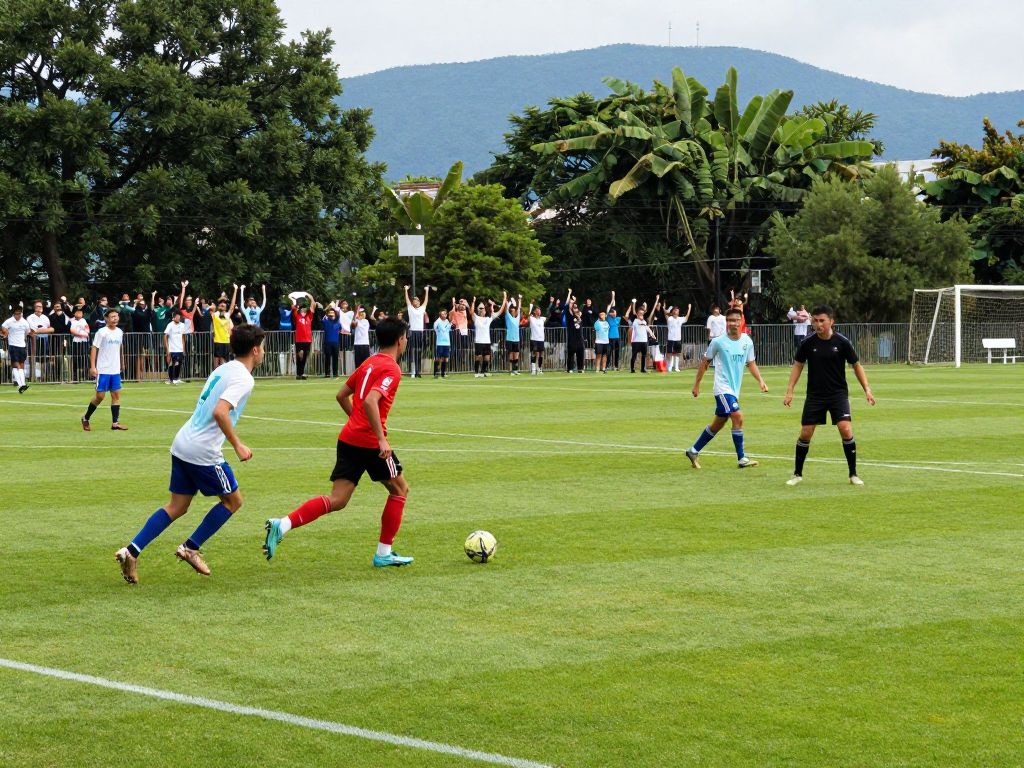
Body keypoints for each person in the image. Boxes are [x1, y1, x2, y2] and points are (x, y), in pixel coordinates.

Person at [114, 324, 266, 584]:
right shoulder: (244, 378)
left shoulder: (223, 368)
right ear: (254, 350)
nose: (263, 352)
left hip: (183, 442)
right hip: (203, 451)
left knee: (177, 506)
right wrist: (238, 444)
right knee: (233, 501)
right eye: (262, 347)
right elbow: (220, 411)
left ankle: (131, 551)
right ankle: (190, 547)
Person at [263, 317, 414, 568]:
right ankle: (384, 553)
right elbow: (370, 401)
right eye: (405, 337)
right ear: (400, 340)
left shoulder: (368, 363)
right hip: (369, 444)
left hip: (348, 438)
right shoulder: (391, 369)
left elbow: (341, 394)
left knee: (338, 499)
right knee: (400, 490)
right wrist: (380, 438)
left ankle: (283, 524)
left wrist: (356, 421)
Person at [783, 305, 876, 486]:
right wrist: (790, 390)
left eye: (822, 321)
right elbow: (798, 365)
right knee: (806, 433)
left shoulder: (842, 342)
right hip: (815, 395)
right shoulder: (807, 343)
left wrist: (867, 389)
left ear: (831, 321)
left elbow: (856, 365)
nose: (818, 324)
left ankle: (853, 474)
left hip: (837, 395)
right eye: (815, 321)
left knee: (845, 429)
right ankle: (797, 474)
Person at [684, 307, 768, 470]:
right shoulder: (718, 341)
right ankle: (742, 458)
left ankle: (693, 451)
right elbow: (705, 362)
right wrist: (697, 384)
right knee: (737, 416)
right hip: (722, 388)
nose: (731, 323)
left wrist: (761, 381)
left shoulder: (747, 341)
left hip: (734, 390)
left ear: (741, 321)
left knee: (718, 424)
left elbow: (750, 363)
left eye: (735, 320)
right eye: (729, 320)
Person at [82, 307, 128, 431]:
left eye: (116, 316)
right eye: (112, 316)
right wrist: (93, 366)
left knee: (116, 396)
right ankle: (85, 418)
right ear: (106, 319)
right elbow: (94, 348)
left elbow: (119, 348)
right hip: (103, 370)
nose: (115, 318)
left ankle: (115, 423)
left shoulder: (119, 332)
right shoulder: (101, 332)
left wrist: (122, 362)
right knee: (100, 397)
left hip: (115, 370)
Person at [469, 292, 508, 378]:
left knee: (487, 358)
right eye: (480, 308)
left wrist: (505, 298)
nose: (481, 310)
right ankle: (476, 372)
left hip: (487, 341)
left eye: (482, 308)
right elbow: (471, 312)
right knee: (478, 357)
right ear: (478, 310)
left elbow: (501, 311)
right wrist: (474, 301)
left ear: (485, 310)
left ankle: (482, 372)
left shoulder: (489, 318)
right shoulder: (476, 318)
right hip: (479, 341)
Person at [2, 304, 32, 393]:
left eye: (19, 314)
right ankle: (21, 384)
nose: (18, 316)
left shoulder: (25, 322)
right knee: (16, 364)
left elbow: (28, 331)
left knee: (21, 365)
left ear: (21, 313)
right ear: (13, 314)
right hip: (13, 345)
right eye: (16, 314)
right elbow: (3, 327)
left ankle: (21, 385)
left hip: (22, 346)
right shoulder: (9, 321)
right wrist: (6, 332)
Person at [404, 284, 429, 378]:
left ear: (419, 302)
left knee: (419, 352)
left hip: (420, 332)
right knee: (412, 352)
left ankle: (418, 372)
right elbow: (407, 299)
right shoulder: (410, 308)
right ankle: (413, 371)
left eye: (417, 300)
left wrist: (427, 291)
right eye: (414, 300)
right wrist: (406, 290)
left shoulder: (422, 308)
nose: (416, 301)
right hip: (412, 332)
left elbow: (426, 301)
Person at [624, 299, 654, 373]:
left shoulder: (644, 321)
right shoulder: (635, 320)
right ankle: (632, 369)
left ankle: (643, 369)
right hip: (636, 341)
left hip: (644, 341)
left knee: (644, 356)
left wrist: (652, 334)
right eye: (640, 313)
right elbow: (630, 314)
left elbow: (647, 328)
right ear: (637, 314)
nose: (641, 314)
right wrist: (634, 304)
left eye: (642, 313)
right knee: (634, 355)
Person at [26, 301, 53, 382]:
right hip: (34, 340)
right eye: (38, 306)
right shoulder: (30, 317)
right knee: (33, 358)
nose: (40, 308)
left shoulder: (45, 317)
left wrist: (40, 330)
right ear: (35, 308)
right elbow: (32, 330)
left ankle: (44, 377)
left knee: (44, 359)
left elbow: (51, 329)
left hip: (44, 340)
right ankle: (32, 377)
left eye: (41, 306)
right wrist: (44, 330)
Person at [290, 292, 315, 379]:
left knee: (304, 356)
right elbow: (293, 307)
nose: (304, 310)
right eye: (302, 309)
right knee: (299, 356)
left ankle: (301, 373)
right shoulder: (297, 316)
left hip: (308, 339)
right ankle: (298, 373)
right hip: (299, 339)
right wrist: (294, 300)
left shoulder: (309, 316)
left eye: (305, 308)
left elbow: (313, 306)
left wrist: (311, 298)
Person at [665, 303, 693, 372]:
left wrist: (689, 309)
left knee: (677, 353)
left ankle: (676, 367)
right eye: (675, 310)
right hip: (671, 338)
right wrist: (670, 311)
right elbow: (667, 314)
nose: (676, 311)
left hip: (678, 339)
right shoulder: (670, 319)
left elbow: (686, 317)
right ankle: (670, 366)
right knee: (670, 353)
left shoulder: (680, 319)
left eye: (677, 310)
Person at [164, 309, 187, 384]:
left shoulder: (182, 325)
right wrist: (167, 349)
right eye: (177, 317)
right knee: (174, 363)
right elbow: (165, 336)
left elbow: (184, 337)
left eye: (179, 317)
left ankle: (176, 378)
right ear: (174, 317)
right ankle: (172, 379)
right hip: (172, 349)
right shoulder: (170, 325)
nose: (178, 318)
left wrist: (183, 348)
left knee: (179, 363)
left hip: (180, 348)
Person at [68, 305, 91, 383]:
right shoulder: (71, 321)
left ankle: (86, 375)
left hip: (84, 341)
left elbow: (87, 328)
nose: (79, 314)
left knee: (84, 357)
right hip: (75, 341)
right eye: (77, 312)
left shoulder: (84, 320)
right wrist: (81, 334)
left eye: (80, 312)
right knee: (75, 358)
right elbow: (72, 330)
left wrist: (86, 333)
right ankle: (75, 376)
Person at [504, 295, 524, 375]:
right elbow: (505, 309)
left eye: (514, 310)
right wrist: (505, 299)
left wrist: (519, 299)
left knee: (516, 354)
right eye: (512, 310)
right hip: (510, 339)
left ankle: (515, 370)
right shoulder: (508, 317)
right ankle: (511, 370)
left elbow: (519, 308)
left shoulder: (517, 317)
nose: (514, 311)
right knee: (511, 354)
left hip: (516, 339)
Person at [321, 305, 342, 378]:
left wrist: (335, 306)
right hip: (327, 342)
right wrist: (326, 311)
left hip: (335, 343)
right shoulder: (326, 321)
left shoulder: (338, 322)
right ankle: (327, 373)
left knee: (335, 358)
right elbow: (322, 318)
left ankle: (335, 373)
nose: (331, 313)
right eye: (330, 312)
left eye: (333, 312)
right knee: (327, 358)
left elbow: (338, 316)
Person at [527, 302, 547, 375]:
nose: (539, 311)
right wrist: (530, 308)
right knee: (535, 353)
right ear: (534, 311)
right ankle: (533, 369)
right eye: (538, 310)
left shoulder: (542, 319)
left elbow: (548, 314)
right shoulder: (532, 318)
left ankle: (539, 368)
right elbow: (528, 318)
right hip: (534, 339)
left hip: (541, 339)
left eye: (540, 310)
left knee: (541, 354)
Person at [433, 308, 452, 378]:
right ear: (440, 315)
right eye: (442, 314)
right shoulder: (437, 322)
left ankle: (443, 373)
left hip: (447, 343)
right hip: (440, 343)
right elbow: (435, 327)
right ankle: (436, 373)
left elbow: (450, 329)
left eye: (445, 314)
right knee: (438, 358)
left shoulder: (447, 321)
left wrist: (452, 326)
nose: (444, 315)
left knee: (446, 358)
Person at [606, 292, 621, 370]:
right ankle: (608, 365)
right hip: (610, 337)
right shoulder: (608, 317)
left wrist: (614, 296)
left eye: (614, 312)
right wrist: (613, 296)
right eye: (612, 312)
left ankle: (616, 366)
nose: (614, 313)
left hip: (617, 337)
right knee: (609, 352)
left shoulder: (618, 318)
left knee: (617, 352)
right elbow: (610, 307)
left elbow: (613, 307)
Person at [593, 309, 610, 373]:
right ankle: (597, 369)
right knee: (598, 355)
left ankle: (603, 368)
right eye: (602, 314)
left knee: (605, 355)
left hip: (606, 341)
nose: (603, 315)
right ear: (599, 316)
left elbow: (607, 329)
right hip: (599, 341)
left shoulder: (606, 322)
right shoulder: (597, 323)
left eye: (604, 314)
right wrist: (599, 319)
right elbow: (596, 328)